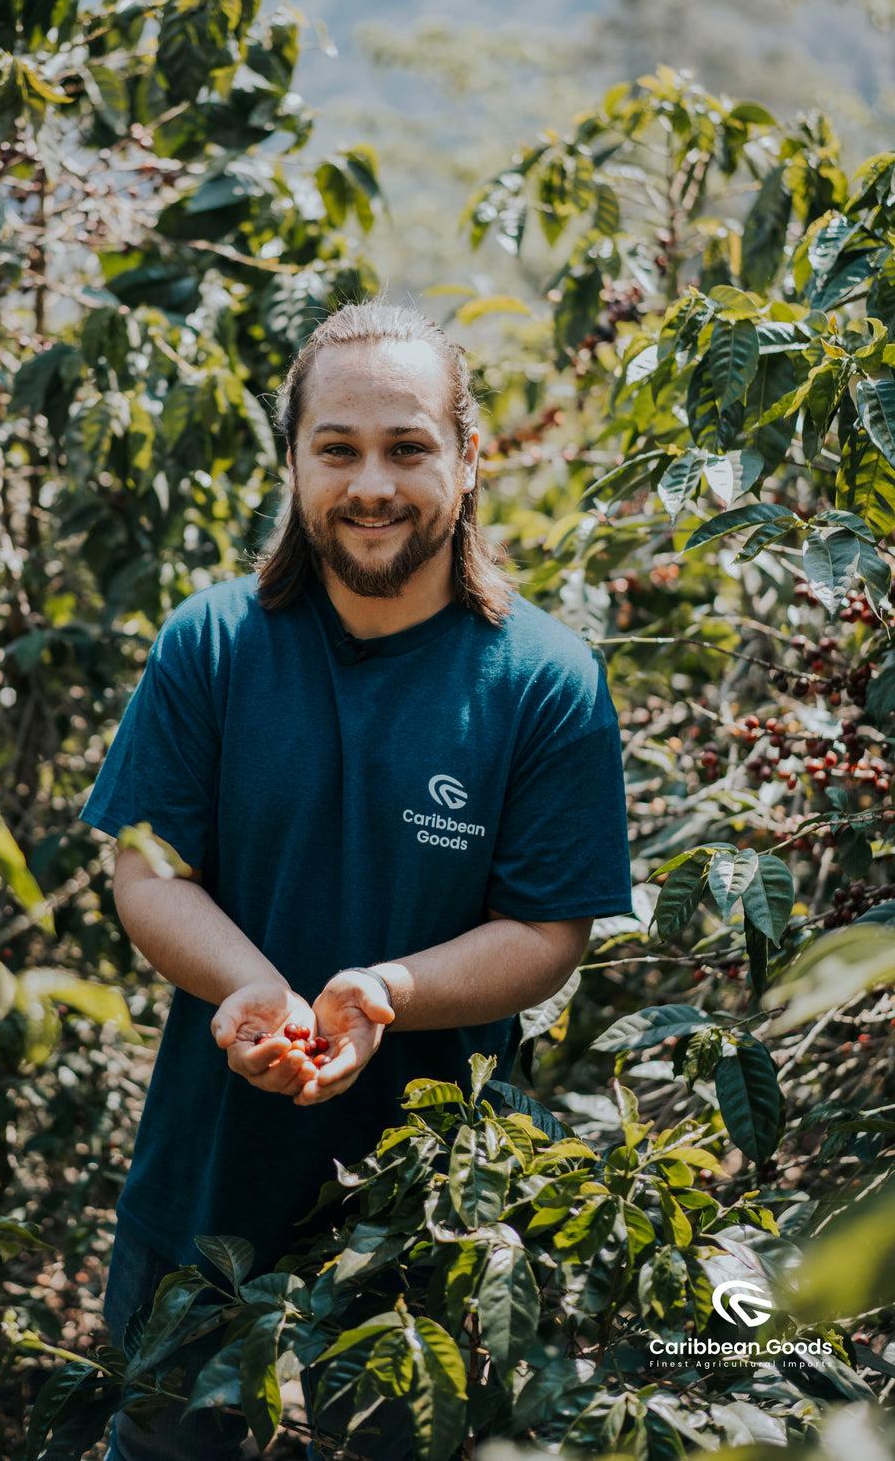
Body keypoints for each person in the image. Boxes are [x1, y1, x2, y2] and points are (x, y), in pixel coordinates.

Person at [81, 299, 633, 1460]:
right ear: (292, 460)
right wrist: (255, 994)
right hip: (205, 1187)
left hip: (426, 1222)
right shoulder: (212, 644)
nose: (370, 484)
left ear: (470, 457)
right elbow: (150, 873)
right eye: (337, 448)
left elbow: (546, 930)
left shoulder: (543, 679)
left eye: (407, 447)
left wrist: (382, 991)